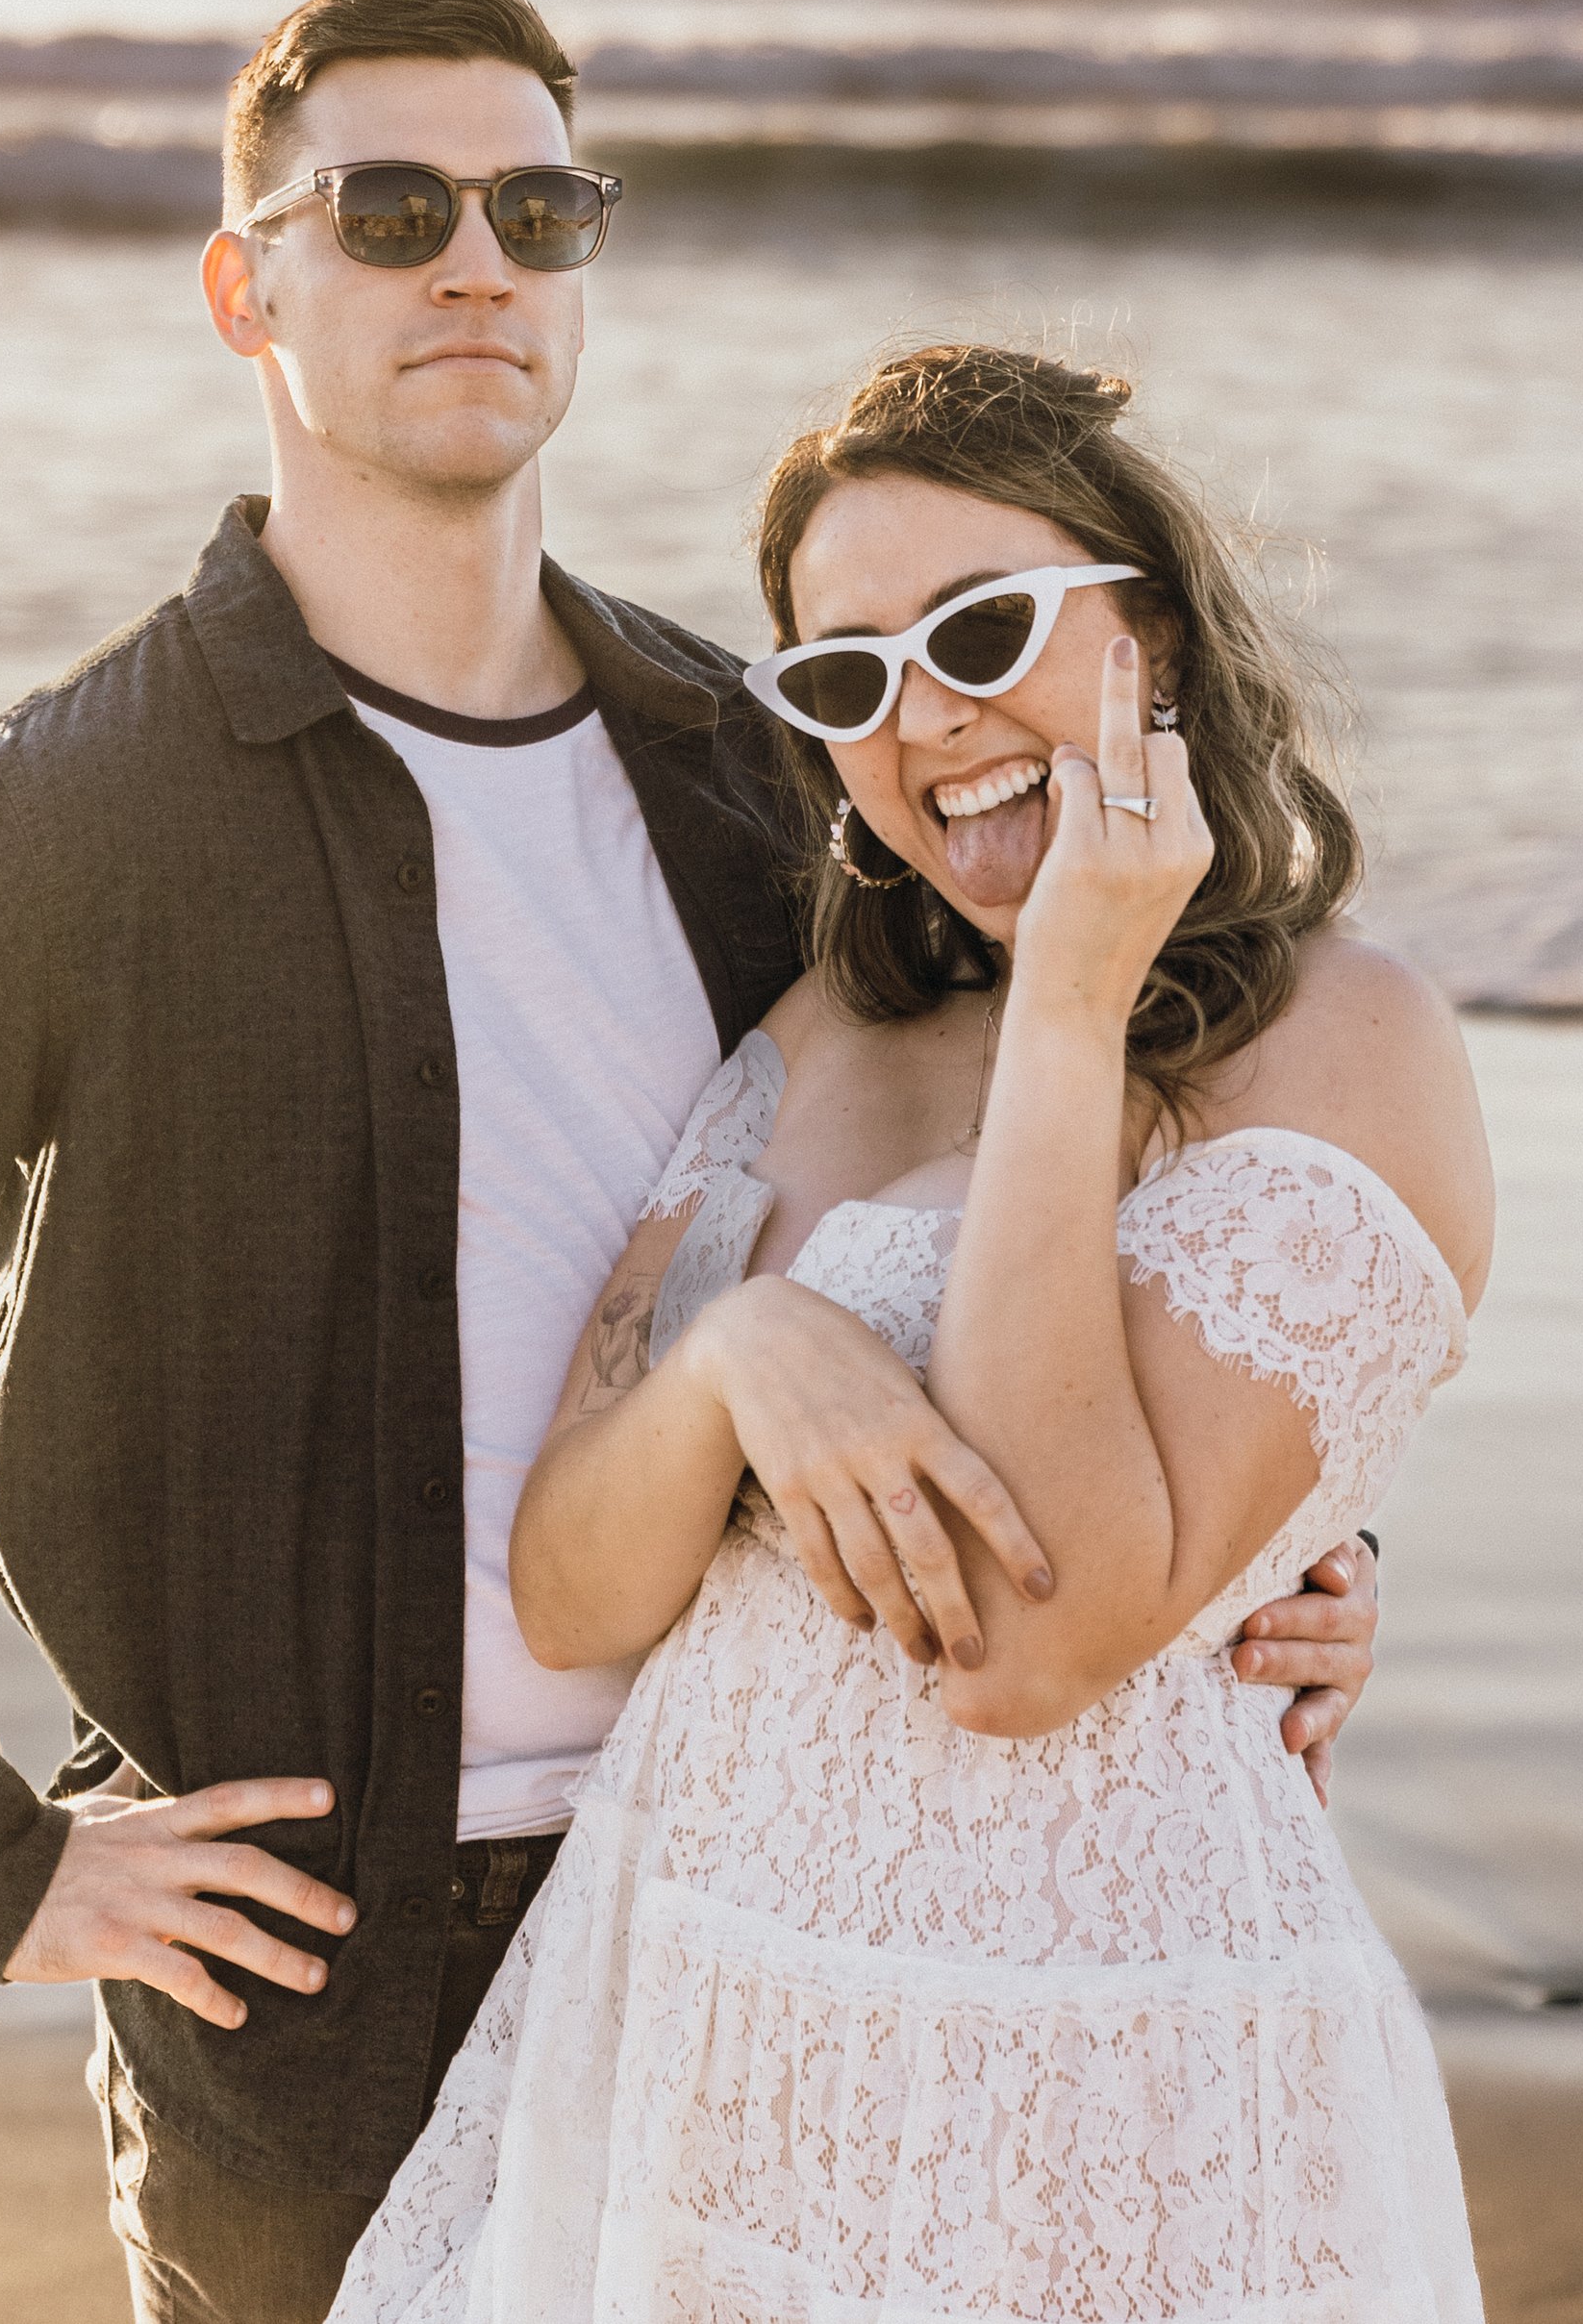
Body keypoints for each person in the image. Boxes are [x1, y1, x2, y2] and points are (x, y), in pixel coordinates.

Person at [0, 0, 1376, 2324]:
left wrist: (1272, 1517)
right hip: (318, 1994)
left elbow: (1037, 1160)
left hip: (785, 1897)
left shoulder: (763, 765)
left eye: (537, 204)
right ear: (241, 287)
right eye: (384, 208)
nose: (472, 261)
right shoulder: (64, 821)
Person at [332, 339, 1494, 2324]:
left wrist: (1064, 1006)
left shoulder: (1346, 1040)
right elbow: (571, 1587)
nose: (927, 715)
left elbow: (1030, 1646)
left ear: (1155, 634)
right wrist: (738, 1361)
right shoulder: (819, 1040)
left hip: (1086, 2081)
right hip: (712, 2021)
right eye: (849, 675)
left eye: (982, 625)